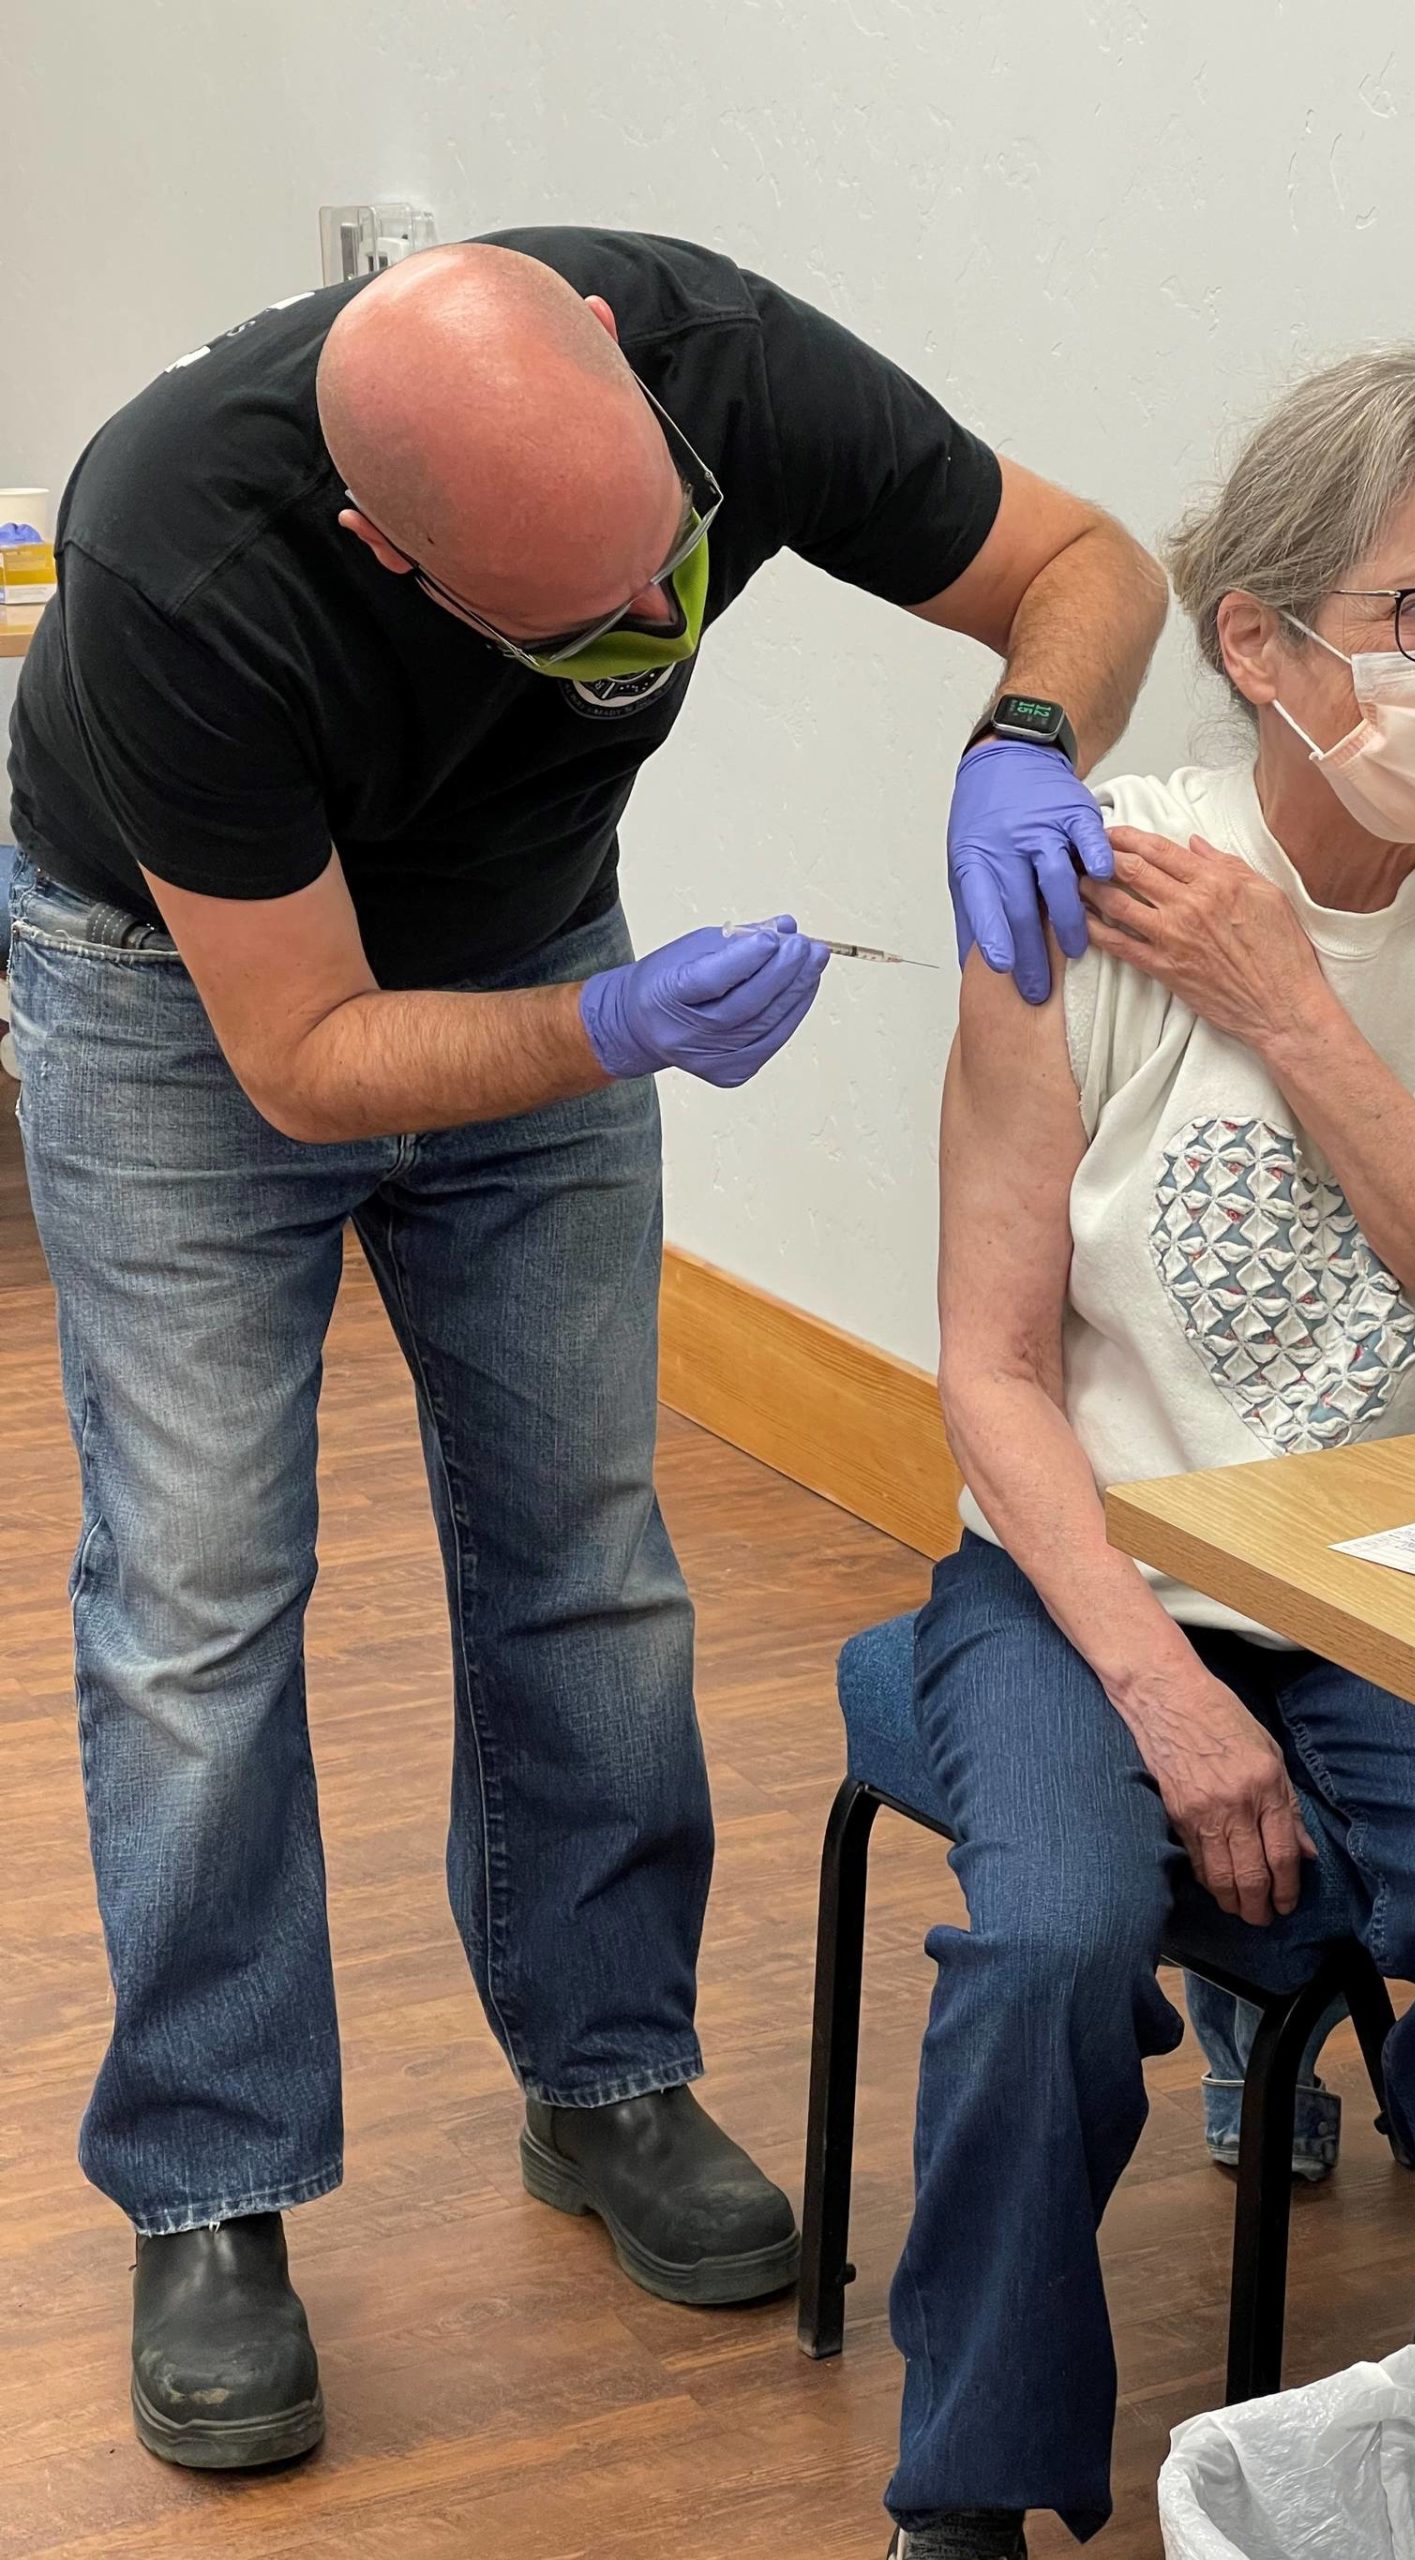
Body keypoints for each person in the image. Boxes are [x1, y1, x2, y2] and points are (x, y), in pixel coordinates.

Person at [4, 230, 1165, 2471]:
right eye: (581, 627)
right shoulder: (171, 566)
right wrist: (609, 1032)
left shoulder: (714, 350)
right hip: (196, 1004)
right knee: (196, 1601)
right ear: (380, 549)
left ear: (643, 395)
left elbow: (1087, 560)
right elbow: (315, 1055)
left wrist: (1026, 735)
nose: (652, 645)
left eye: (676, 577)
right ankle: (212, 2182)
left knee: (588, 1546)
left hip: (530, 929)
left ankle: (609, 2070)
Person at [885, 345, 1415, 2557]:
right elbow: (990, 1365)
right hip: (1093, 1573)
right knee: (1053, 1945)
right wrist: (1163, 1693)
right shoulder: (1086, 876)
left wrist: (1289, 1003)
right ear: (1256, 641)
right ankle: (965, 2489)